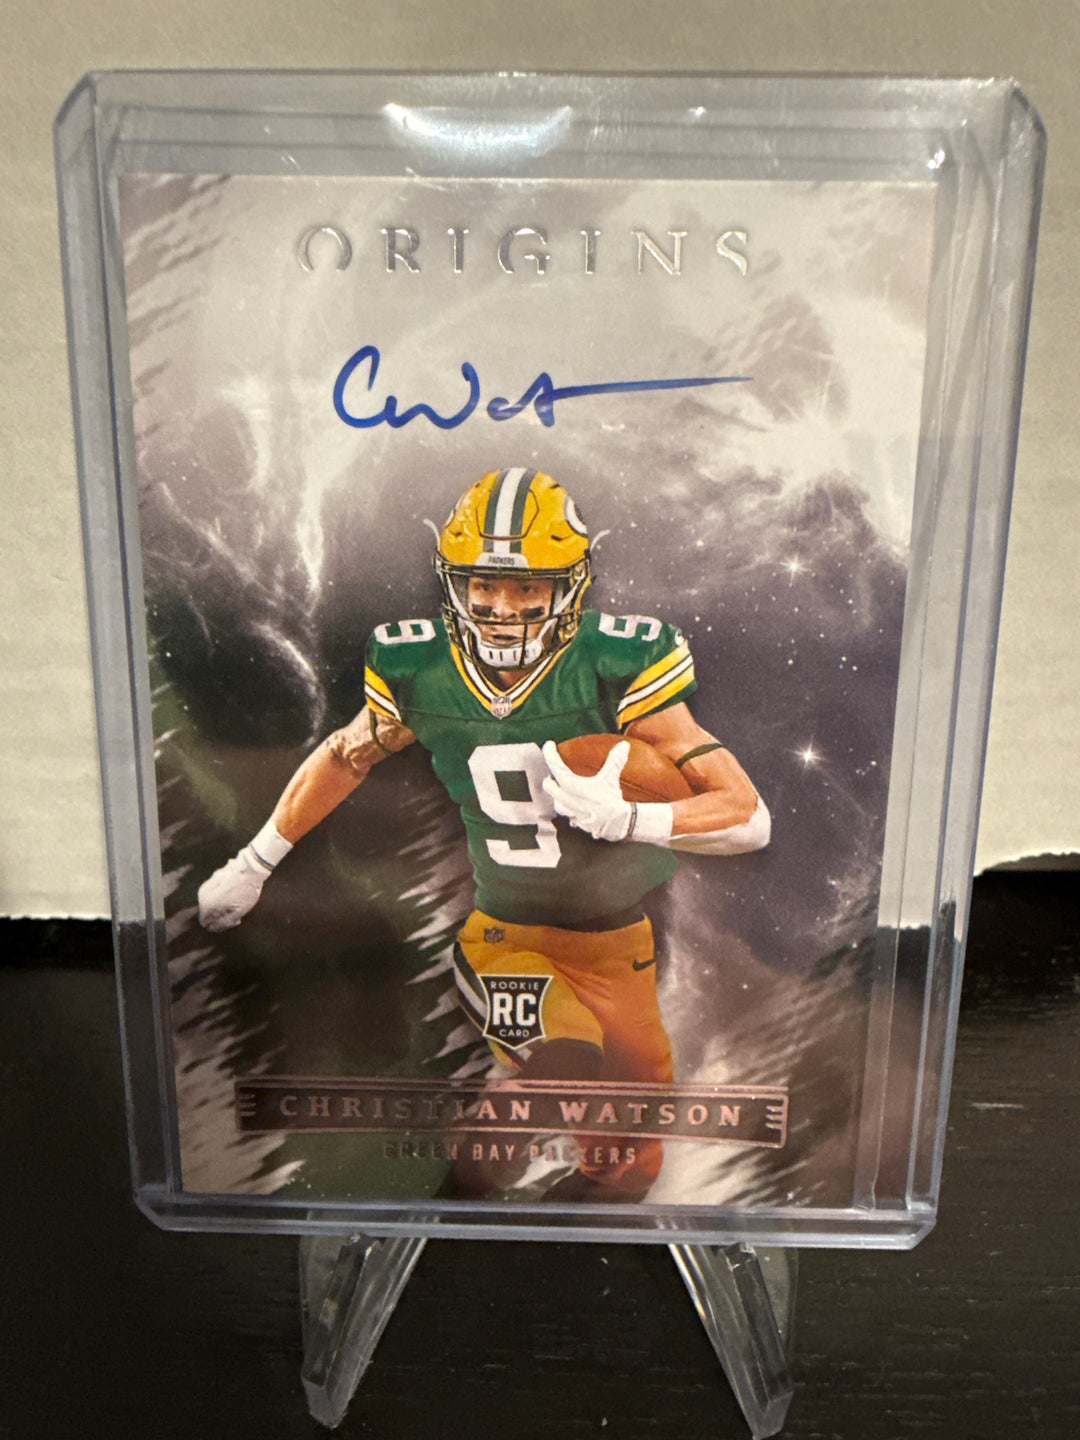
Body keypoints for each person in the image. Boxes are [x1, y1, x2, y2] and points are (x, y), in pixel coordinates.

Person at [198, 467, 769, 1197]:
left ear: (570, 587)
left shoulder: (617, 663)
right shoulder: (420, 665)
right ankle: (461, 1195)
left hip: (620, 944)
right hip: (507, 938)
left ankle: (563, 1225)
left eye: (528, 588)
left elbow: (747, 816)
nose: (502, 608)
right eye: (485, 585)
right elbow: (346, 756)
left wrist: (634, 817)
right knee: (564, 1055)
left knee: (631, 1154)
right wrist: (254, 862)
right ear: (454, 582)